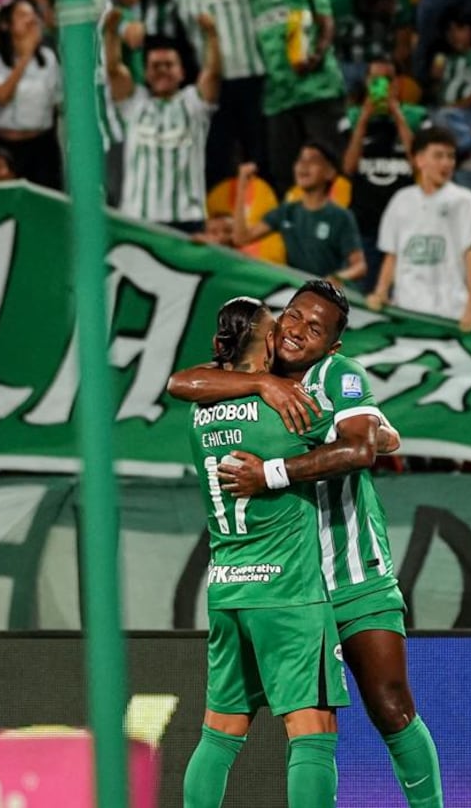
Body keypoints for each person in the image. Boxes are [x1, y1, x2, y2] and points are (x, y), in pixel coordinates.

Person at [168, 280, 442, 808]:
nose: (296, 330)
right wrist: (262, 387)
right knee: (306, 730)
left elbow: (366, 445)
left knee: (390, 706)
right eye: (292, 316)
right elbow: (181, 381)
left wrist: (273, 471)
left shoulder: (338, 375)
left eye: (314, 328)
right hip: (291, 583)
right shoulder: (258, 379)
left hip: (350, 569)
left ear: (332, 346)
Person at [177, 296, 349, 808]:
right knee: (312, 731)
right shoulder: (290, 409)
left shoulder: (200, 411)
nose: (286, 336)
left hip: (228, 587)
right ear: (266, 341)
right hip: (289, 592)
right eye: (277, 329)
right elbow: (368, 443)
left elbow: (189, 380)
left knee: (219, 733)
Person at [104, 12, 221, 232]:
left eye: (169, 64)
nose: (162, 70)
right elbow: (114, 70)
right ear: (146, 73)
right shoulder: (134, 105)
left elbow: (213, 73)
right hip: (138, 217)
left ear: (182, 72)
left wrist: (212, 35)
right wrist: (111, 33)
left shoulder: (194, 104)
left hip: (187, 218)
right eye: (155, 66)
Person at [372, 126, 471, 331]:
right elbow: (392, 255)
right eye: (439, 156)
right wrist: (381, 291)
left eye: (450, 156)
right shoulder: (401, 200)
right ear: (419, 160)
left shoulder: (465, 201)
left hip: (450, 313)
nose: (446, 163)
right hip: (406, 309)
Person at [168, 0, 269, 188]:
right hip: (212, 84)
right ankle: (218, 216)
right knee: (216, 163)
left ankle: (263, 215)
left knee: (261, 160)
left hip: (255, 76)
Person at [251, 0, 348, 194]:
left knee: (330, 164)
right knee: (284, 170)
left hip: (317, 90)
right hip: (277, 96)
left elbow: (326, 22)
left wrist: (317, 54)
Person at [342, 59, 426, 293]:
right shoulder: (352, 117)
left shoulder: (416, 116)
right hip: (365, 222)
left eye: (388, 80)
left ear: (398, 83)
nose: (382, 86)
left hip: (405, 224)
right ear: (367, 83)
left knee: (401, 292)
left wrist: (397, 114)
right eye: (375, 80)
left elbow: (420, 165)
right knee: (364, 291)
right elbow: (348, 167)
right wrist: (364, 119)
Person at [232, 148, 365, 284]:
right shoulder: (286, 211)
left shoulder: (341, 216)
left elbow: (359, 266)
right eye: (301, 160)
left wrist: (338, 277)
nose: (303, 165)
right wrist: (242, 186)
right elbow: (241, 238)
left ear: (330, 172)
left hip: (328, 296)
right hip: (296, 292)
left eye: (313, 160)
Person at [0, 0, 65, 190]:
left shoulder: (48, 58)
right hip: (5, 147)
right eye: (22, 15)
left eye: (33, 15)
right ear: (5, 25)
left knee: (45, 204)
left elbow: (56, 101)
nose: (31, 20)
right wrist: (26, 56)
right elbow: (1, 96)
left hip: (42, 147)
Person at [429, 9, 471, 159]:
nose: (453, 35)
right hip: (444, 111)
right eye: (450, 30)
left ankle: (470, 150)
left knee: (443, 117)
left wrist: (456, 106)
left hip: (470, 113)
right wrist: (436, 78)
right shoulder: (446, 58)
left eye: (460, 29)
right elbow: (436, 92)